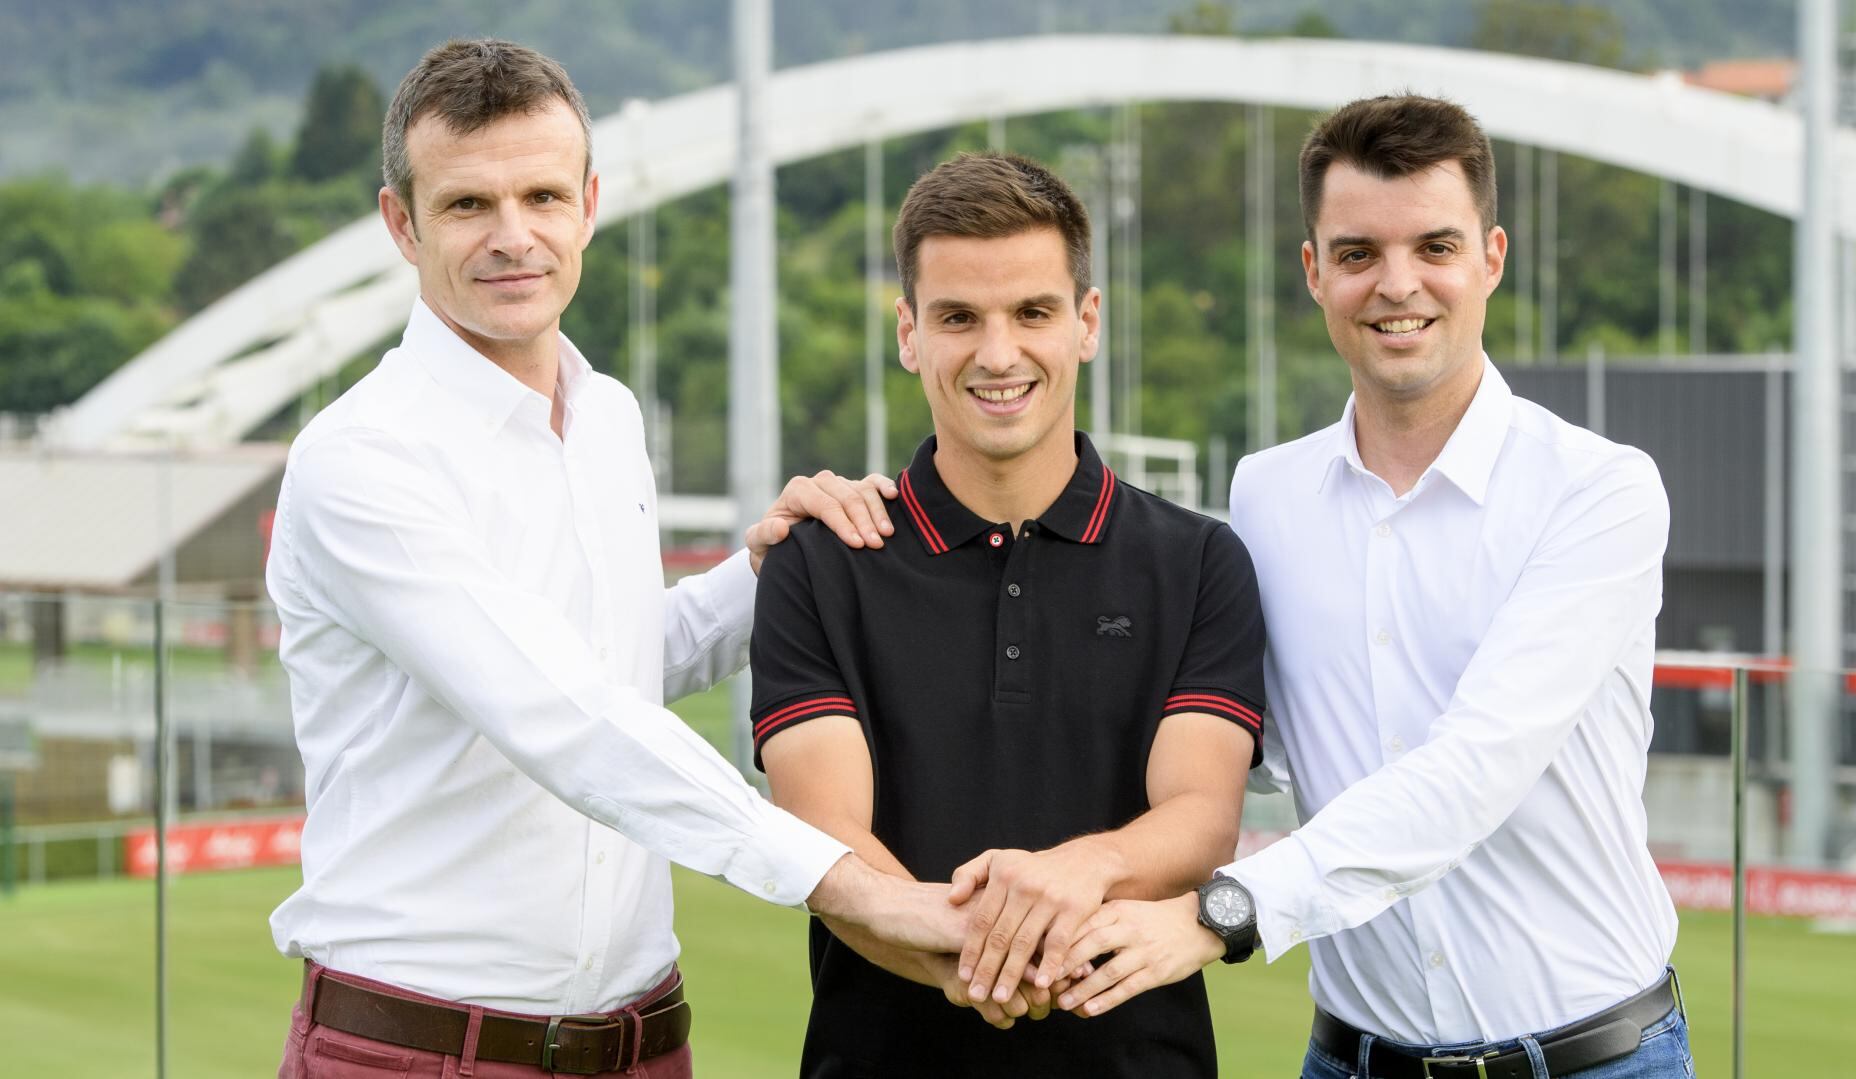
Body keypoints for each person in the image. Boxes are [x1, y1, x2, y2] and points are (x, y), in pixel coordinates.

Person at [266, 39, 965, 1079]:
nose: (515, 238)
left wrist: (772, 570)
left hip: (643, 1042)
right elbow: (563, 718)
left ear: (589, 203)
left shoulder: (607, 417)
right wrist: (851, 883)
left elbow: (620, 663)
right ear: (400, 223)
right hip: (419, 1050)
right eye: (468, 206)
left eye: (544, 196)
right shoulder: (360, 460)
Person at [1054, 95, 1694, 1079]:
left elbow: (1472, 770)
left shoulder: (1598, 489)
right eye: (1358, 253)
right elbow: (1221, 740)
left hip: (1593, 1057)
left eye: (1434, 246)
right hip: (1350, 1058)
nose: (1399, 285)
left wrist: (1229, 909)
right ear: (1314, 271)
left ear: (1491, 256)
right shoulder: (1263, 494)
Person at [747, 151, 1267, 1077]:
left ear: (1087, 323)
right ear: (908, 332)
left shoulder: (1198, 562)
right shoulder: (819, 563)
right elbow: (827, 838)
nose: (998, 354)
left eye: (1032, 311)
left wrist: (1068, 874)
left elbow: (1201, 818)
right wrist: (1004, 952)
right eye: (958, 317)